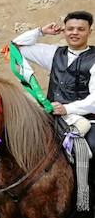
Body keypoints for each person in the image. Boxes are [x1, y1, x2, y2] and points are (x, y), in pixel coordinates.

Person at [13, 10, 95, 158]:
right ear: (64, 30)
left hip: (86, 120)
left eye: (81, 29)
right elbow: (15, 46)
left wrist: (67, 108)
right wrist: (41, 31)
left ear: (89, 31)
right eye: (70, 29)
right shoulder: (53, 53)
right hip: (52, 119)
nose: (74, 33)